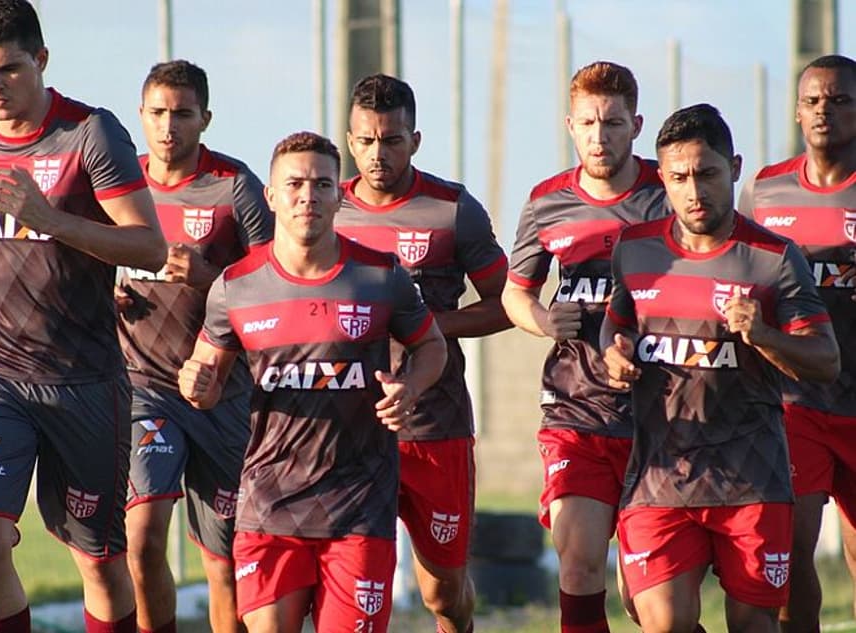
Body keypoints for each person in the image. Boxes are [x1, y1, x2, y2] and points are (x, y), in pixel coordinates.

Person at [0, 1, 167, 632]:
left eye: (7, 69)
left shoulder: (90, 133)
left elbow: (149, 246)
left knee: (99, 562)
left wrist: (51, 220)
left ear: (41, 60)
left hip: (84, 381)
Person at [178, 131, 447, 633]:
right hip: (269, 507)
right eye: (296, 184)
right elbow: (206, 380)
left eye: (322, 184)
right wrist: (195, 384)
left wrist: (410, 387)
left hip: (359, 509)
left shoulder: (380, 275)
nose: (308, 196)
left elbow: (432, 347)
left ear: (339, 196)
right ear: (272, 196)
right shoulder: (236, 286)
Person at [601, 103, 839, 633]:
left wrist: (764, 335)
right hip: (661, 476)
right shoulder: (636, 250)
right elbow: (616, 323)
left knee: (753, 624)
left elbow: (825, 361)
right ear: (661, 177)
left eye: (707, 174)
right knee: (661, 622)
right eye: (679, 178)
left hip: (752, 480)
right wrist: (613, 351)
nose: (694, 190)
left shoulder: (774, 257)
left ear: (734, 167)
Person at [333, 73, 509, 633]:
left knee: (443, 593)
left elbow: (508, 304)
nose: (377, 154)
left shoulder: (453, 210)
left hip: (437, 424)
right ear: (349, 139)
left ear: (415, 139)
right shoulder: (325, 212)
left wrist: (425, 330)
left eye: (391, 140)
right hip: (350, 430)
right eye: (365, 141)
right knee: (362, 583)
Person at [500, 60, 667, 633]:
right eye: (590, 123)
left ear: (636, 125)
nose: (601, 137)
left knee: (652, 605)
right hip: (577, 411)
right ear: (570, 125)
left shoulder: (669, 195)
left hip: (660, 413)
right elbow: (514, 296)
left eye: (614, 123)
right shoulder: (547, 201)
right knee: (579, 564)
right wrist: (548, 321)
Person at [118, 60, 273, 633]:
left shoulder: (235, 187)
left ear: (205, 119)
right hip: (143, 388)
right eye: (157, 112)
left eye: (182, 114)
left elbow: (275, 285)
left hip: (223, 393)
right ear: (141, 115)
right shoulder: (119, 187)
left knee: (225, 562)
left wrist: (209, 276)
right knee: (141, 535)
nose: (168, 126)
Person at [738, 53, 856, 633]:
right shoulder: (764, 191)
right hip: (796, 401)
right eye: (812, 101)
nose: (823, 112)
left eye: (839, 101)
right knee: (791, 550)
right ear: (795, 112)